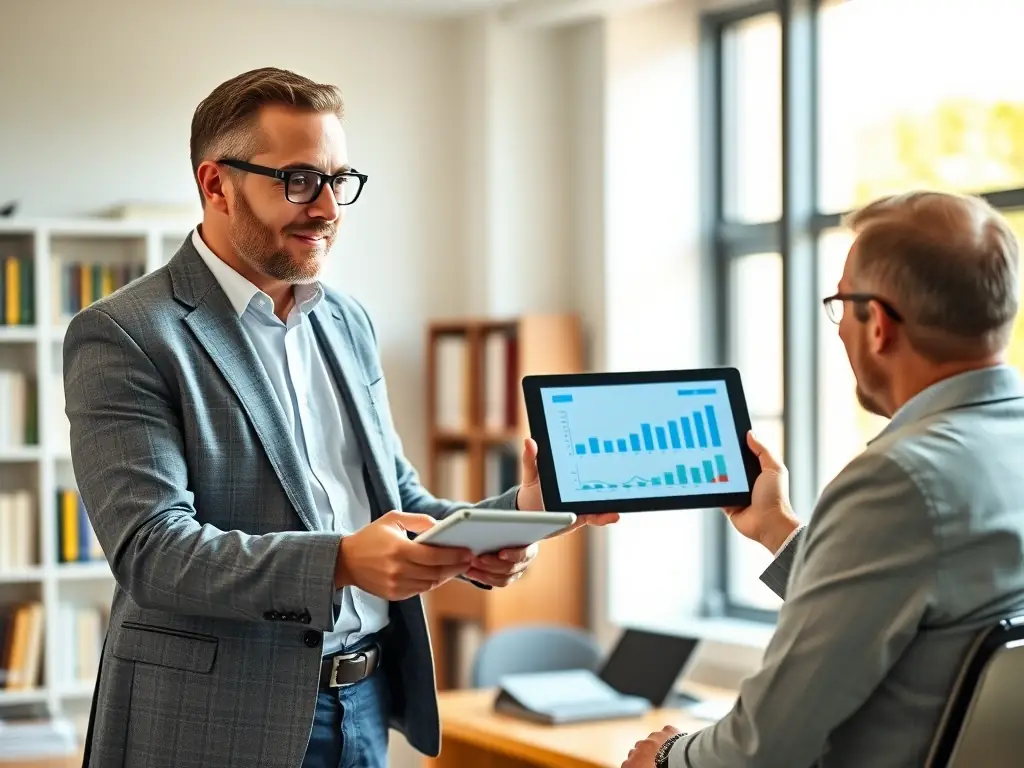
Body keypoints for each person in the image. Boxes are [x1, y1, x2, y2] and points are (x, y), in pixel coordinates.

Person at [63, 66, 617, 768]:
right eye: (299, 180)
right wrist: (342, 561)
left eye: (339, 180)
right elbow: (153, 550)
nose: (327, 208)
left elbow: (396, 498)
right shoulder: (126, 333)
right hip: (213, 721)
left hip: (364, 704)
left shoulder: (346, 321)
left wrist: (516, 516)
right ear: (216, 184)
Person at [623, 190, 1024, 768]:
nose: (838, 330)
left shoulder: (897, 480)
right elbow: (907, 608)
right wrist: (777, 528)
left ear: (877, 324)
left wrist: (667, 757)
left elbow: (763, 748)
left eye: (841, 303)